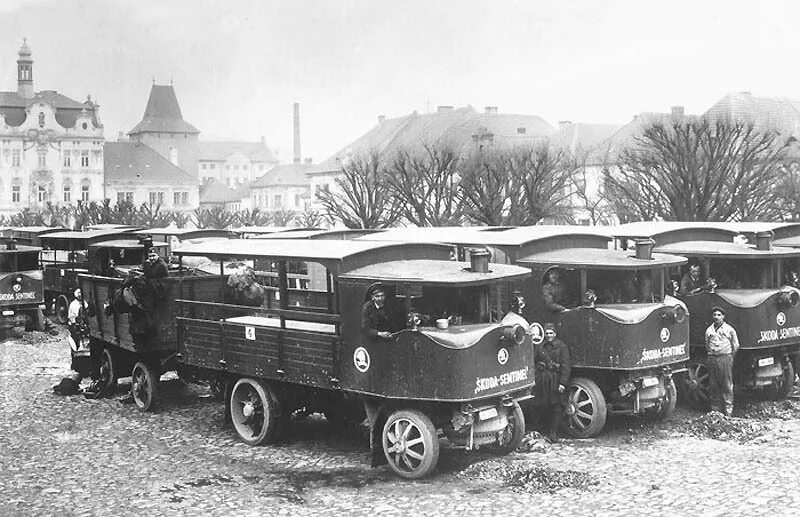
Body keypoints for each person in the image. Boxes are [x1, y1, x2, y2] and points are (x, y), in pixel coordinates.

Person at [534, 323, 571, 442]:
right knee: (542, 404)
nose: (549, 336)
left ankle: (553, 432)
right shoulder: (540, 346)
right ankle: (542, 429)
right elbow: (534, 361)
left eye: (551, 333)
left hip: (556, 379)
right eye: (547, 333)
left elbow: (566, 366)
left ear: (555, 334)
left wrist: (563, 383)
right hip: (543, 379)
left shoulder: (562, 346)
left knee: (557, 406)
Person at [705, 306, 739, 417]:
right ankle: (715, 411)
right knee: (713, 384)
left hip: (725, 358)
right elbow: (707, 344)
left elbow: (736, 345)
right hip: (712, 358)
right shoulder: (709, 330)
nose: (716, 317)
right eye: (714, 315)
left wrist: (729, 356)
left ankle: (728, 411)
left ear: (723, 317)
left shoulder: (729, 329)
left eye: (719, 315)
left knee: (726, 384)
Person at [67, 288, 90, 376]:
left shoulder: (85, 303)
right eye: (78, 294)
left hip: (84, 326)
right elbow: (71, 316)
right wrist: (75, 325)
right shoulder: (73, 304)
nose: (80, 295)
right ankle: (75, 364)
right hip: (75, 326)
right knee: (75, 345)